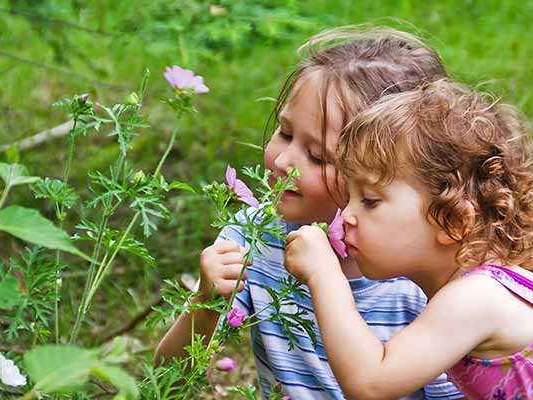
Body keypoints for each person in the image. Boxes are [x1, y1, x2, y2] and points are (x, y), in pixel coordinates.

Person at [155, 26, 464, 399]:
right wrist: (207, 302)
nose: (283, 160)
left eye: (317, 156)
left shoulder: (419, 281)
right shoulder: (253, 241)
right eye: (284, 133)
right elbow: (166, 381)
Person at [284, 78, 533, 399]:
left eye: (369, 200)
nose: (347, 216)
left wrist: (324, 276)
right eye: (349, 198)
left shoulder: (477, 298)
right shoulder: (480, 289)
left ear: (452, 221)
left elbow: (370, 383)